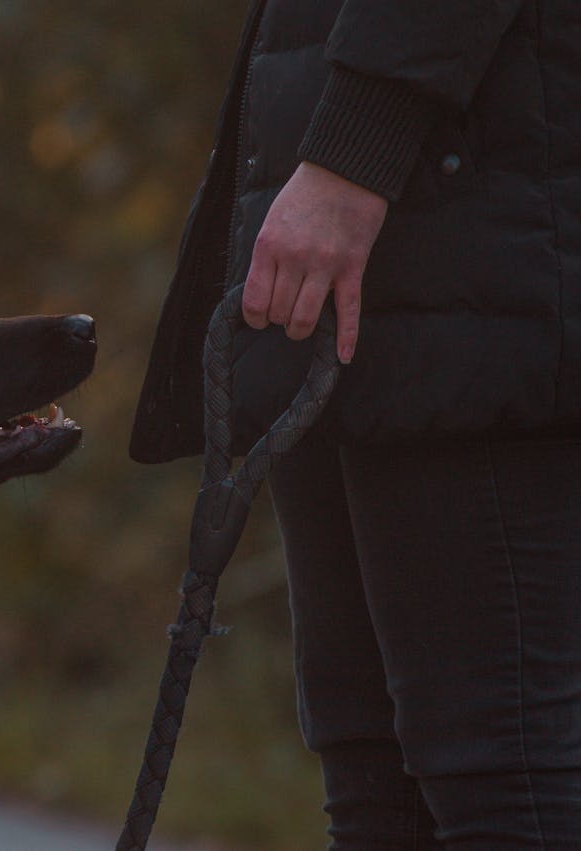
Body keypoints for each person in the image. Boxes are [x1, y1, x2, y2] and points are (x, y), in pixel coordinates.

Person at [130, 2, 581, 847]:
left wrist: (350, 159)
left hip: (453, 238)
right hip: (348, 250)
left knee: (497, 774)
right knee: (371, 775)